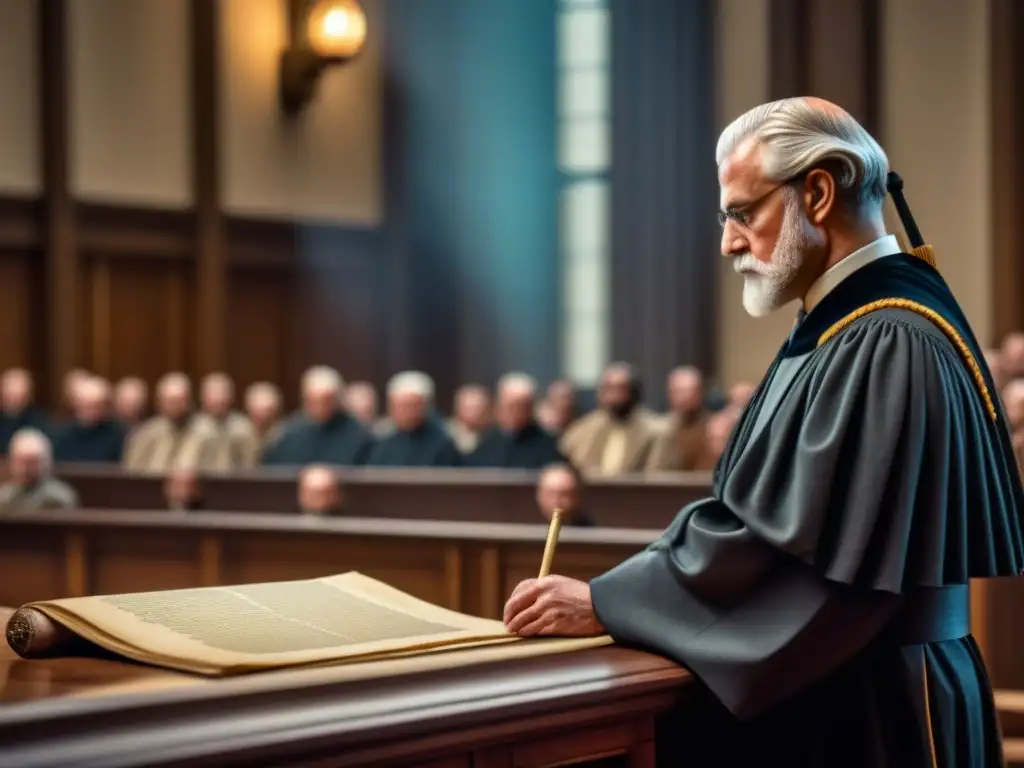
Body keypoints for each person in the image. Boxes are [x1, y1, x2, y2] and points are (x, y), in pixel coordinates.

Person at [502, 97, 1024, 767]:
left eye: (742, 213)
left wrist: (610, 601)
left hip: (878, 708)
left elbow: (797, 557)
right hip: (856, 687)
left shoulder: (888, 339)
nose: (727, 241)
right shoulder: (849, 328)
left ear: (818, 190)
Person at [560, 363, 660, 476]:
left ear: (633, 392)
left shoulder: (654, 432)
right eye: (609, 389)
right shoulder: (581, 430)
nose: (614, 396)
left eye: (620, 389)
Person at [366, 372, 460, 467]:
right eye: (398, 406)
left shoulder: (441, 444)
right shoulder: (383, 442)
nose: (403, 412)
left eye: (409, 406)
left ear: (425, 406)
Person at [0, 428, 79, 511]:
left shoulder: (58, 498)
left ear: (46, 463)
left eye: (32, 463)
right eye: (21, 462)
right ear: (12, 462)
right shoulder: (4, 498)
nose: (25, 469)